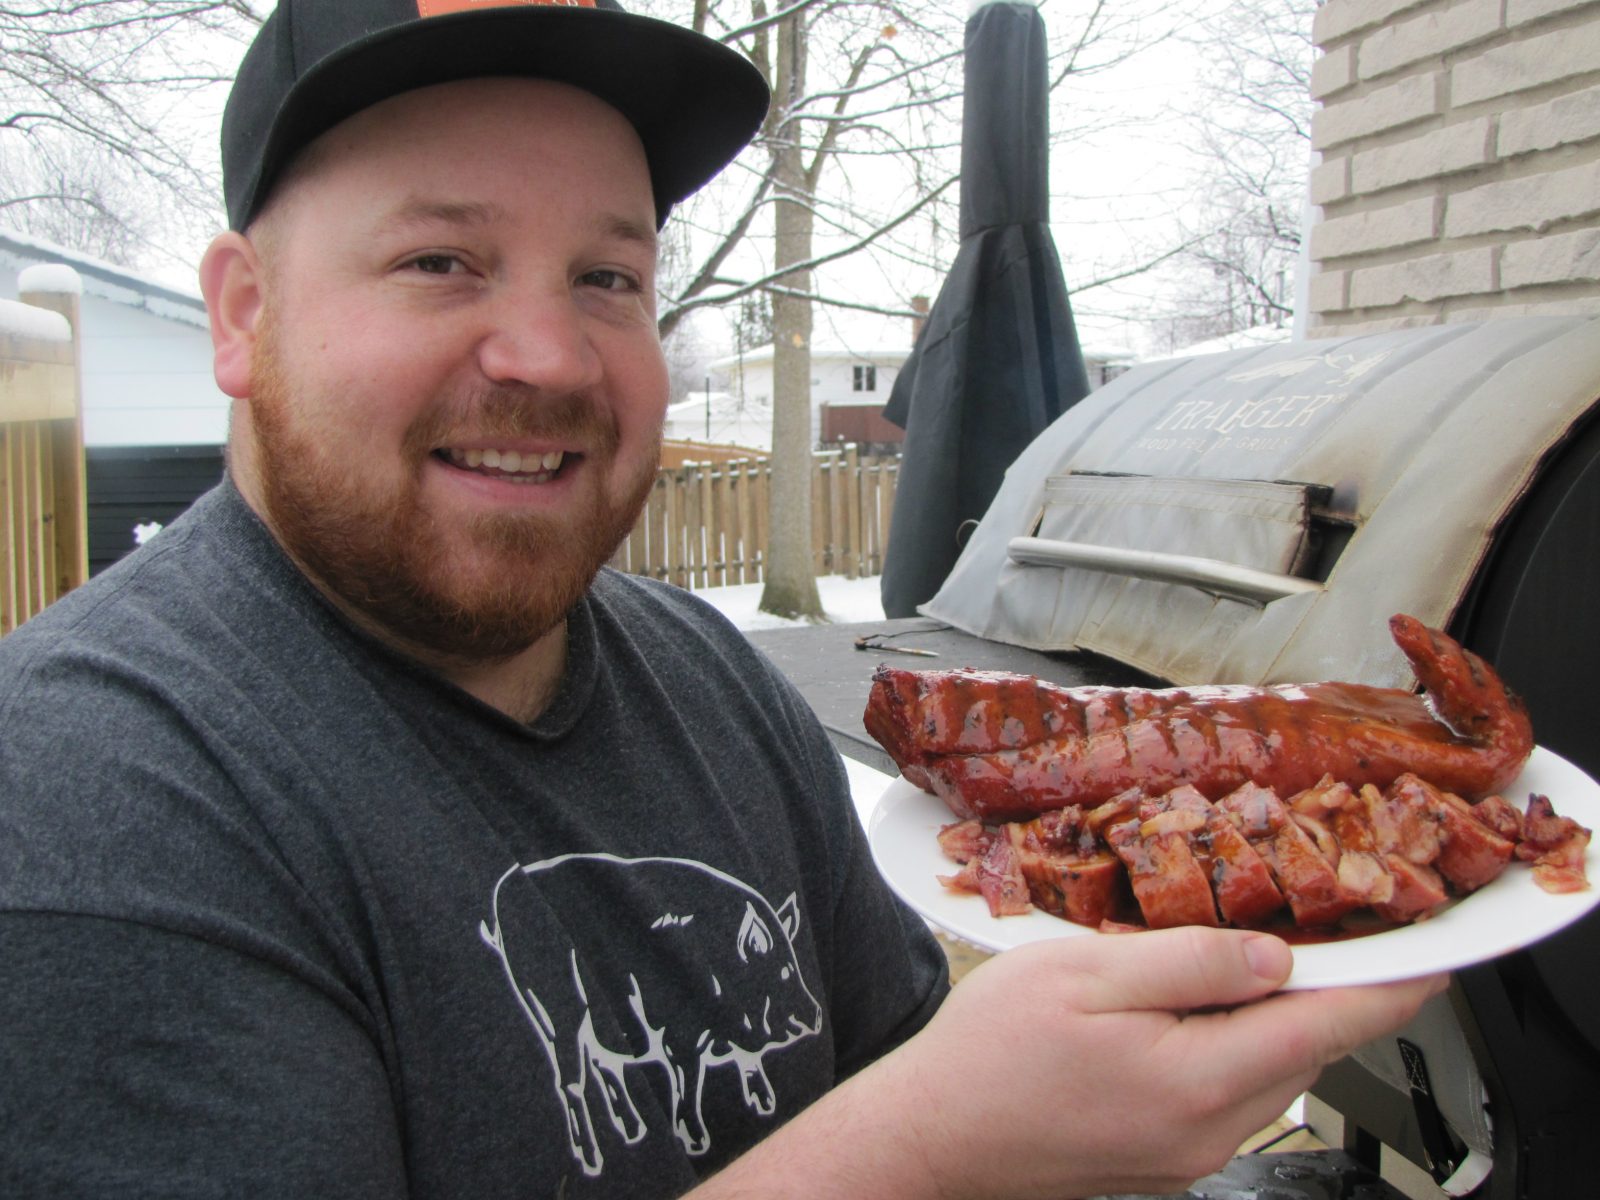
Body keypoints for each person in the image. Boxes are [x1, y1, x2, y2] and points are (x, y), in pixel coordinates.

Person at [0, 1, 1441, 1196]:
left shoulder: (700, 676)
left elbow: (906, 1067)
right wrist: (929, 1150)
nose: (552, 356)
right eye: (441, 261)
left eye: (609, 275)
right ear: (245, 316)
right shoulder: (88, 796)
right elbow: (914, 1127)